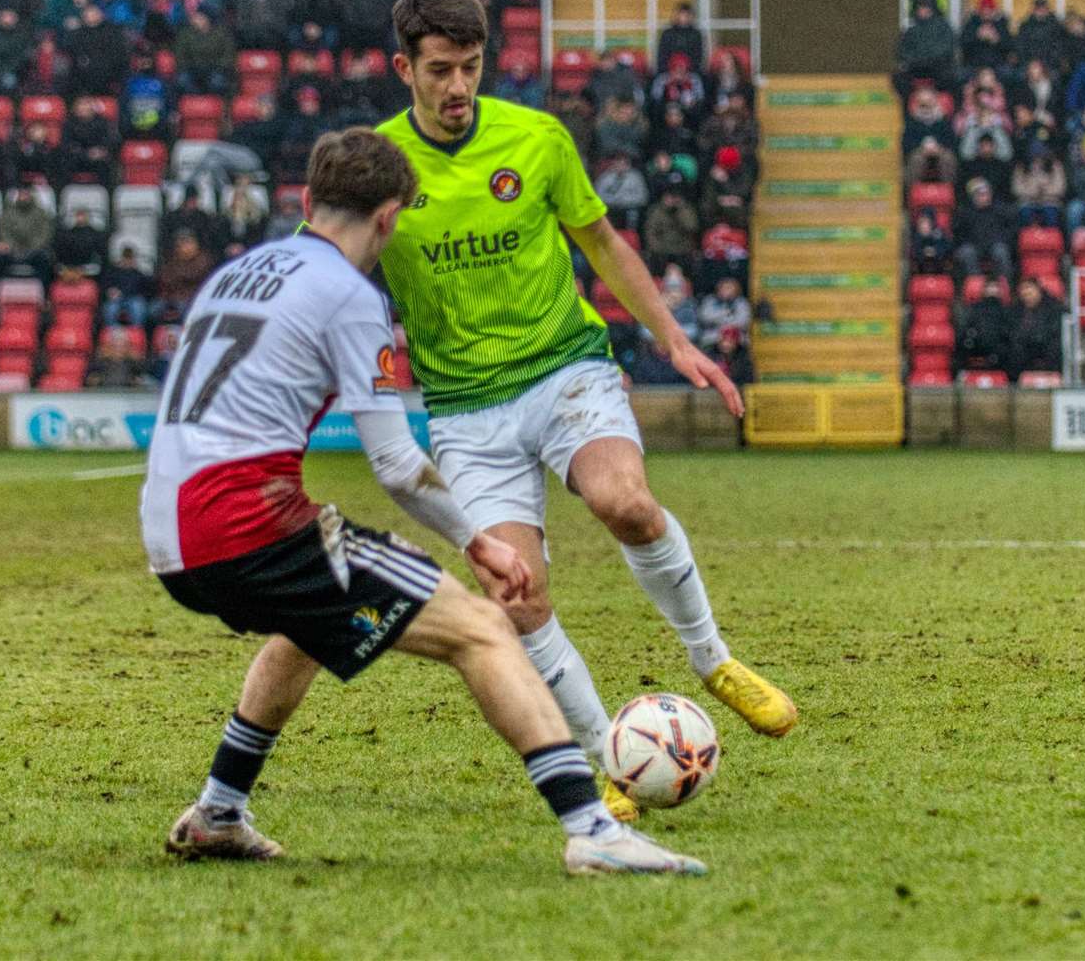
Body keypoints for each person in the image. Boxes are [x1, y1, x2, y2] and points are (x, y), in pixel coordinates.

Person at [142, 128, 702, 876]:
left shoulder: (237, 272)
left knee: (311, 625)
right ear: (388, 220)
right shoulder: (348, 293)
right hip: (245, 524)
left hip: (168, 534)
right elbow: (399, 465)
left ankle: (218, 810)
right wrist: (481, 542)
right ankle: (593, 829)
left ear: (308, 202)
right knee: (480, 628)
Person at [373, 0, 795, 822]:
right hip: (462, 409)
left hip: (565, 370)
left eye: (471, 68)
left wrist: (673, 341)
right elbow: (340, 274)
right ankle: (615, 758)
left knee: (624, 502)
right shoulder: (378, 166)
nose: (458, 88)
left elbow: (598, 239)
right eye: (440, 71)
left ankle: (712, 659)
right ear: (403, 70)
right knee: (515, 593)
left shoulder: (536, 139)